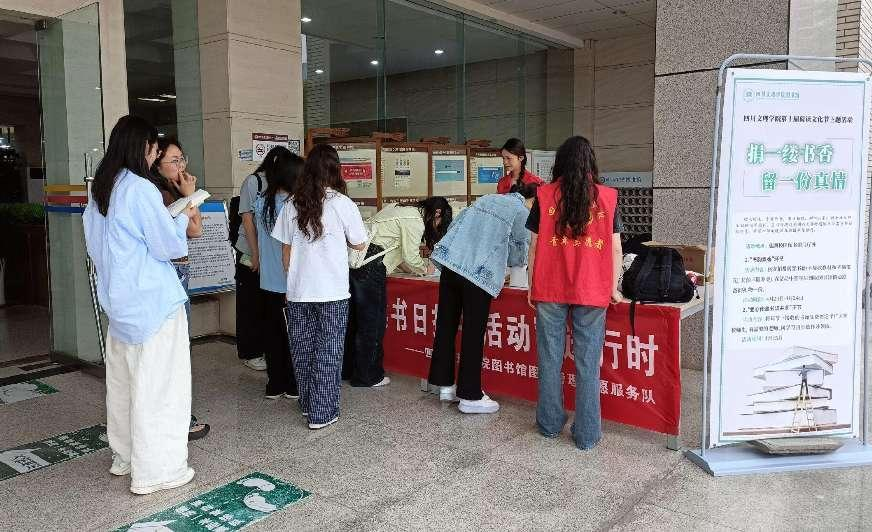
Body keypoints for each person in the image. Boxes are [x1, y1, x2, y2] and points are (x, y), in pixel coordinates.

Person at [83, 115, 196, 494]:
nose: (154, 156)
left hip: (119, 304)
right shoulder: (140, 188)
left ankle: (126, 457)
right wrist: (181, 217)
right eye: (154, 149)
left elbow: (98, 248)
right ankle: (157, 470)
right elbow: (170, 246)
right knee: (160, 389)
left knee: (124, 387)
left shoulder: (101, 189)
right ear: (143, 147)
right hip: (154, 303)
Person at [526, 135, 623, 451]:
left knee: (549, 358)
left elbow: (535, 245)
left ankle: (550, 424)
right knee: (587, 363)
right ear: (590, 162)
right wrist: (613, 286)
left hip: (550, 286)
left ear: (560, 162)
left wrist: (531, 284)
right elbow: (616, 248)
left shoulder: (544, 195)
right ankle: (587, 434)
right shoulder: (607, 197)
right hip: (592, 289)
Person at [272, 144, 367, 430]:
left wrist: (292, 282)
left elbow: (286, 253)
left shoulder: (292, 203)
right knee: (328, 351)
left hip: (299, 291)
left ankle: (308, 404)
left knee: (302, 351)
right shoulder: (342, 204)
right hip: (332, 292)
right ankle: (322, 412)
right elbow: (360, 243)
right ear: (336, 170)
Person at [427, 182, 538, 414]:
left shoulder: (487, 198)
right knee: (473, 332)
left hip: (451, 265)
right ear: (533, 200)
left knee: (446, 325)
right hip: (477, 275)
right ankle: (470, 396)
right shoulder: (521, 211)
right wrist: (510, 269)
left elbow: (455, 226)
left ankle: (445, 386)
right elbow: (520, 250)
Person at [343, 197, 452, 388]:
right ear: (437, 214)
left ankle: (348, 370)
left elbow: (395, 249)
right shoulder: (415, 220)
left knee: (355, 322)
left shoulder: (399, 208)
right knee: (372, 324)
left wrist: (412, 268)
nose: (436, 227)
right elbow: (410, 256)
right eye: (439, 223)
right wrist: (426, 269)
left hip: (357, 264)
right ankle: (368, 376)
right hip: (371, 268)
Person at [151, 138, 210, 442]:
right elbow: (195, 229)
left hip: (178, 270)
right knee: (174, 346)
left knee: (176, 345)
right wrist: (190, 197)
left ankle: (175, 415)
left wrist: (188, 198)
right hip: (171, 271)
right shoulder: (160, 194)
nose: (181, 166)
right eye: (173, 161)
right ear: (157, 164)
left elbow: (196, 229)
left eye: (181, 159)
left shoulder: (172, 192)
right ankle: (178, 419)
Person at [235, 147, 292, 371]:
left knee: (268, 305)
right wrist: (256, 254)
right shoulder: (254, 182)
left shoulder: (285, 184)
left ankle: (270, 351)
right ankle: (251, 352)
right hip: (250, 251)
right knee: (250, 302)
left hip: (272, 254)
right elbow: (248, 221)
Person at [253, 150, 304, 399]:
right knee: (293, 335)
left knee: (272, 334)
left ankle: (275, 384)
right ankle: (293, 385)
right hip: (289, 281)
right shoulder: (295, 206)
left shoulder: (261, 202)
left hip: (267, 280)